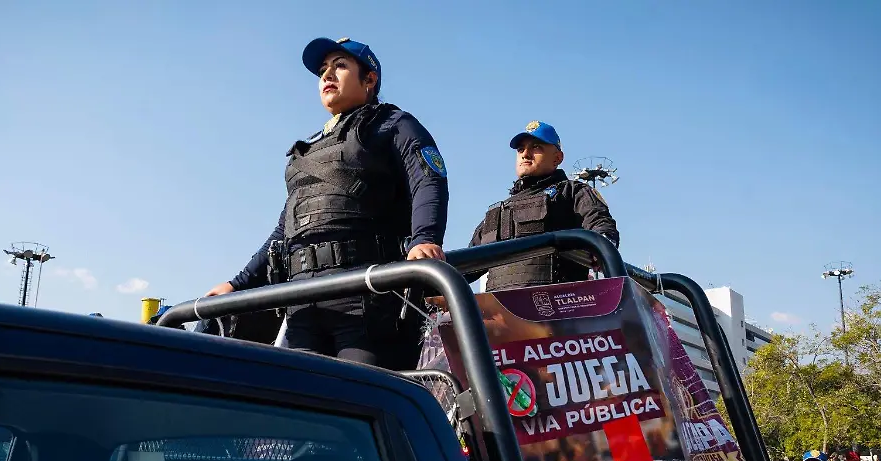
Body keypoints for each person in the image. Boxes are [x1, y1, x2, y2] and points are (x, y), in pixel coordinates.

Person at [206, 37, 448, 370]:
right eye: (322, 70)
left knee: (365, 403)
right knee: (299, 408)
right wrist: (238, 284)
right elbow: (285, 230)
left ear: (370, 79)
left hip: (367, 296)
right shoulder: (307, 152)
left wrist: (425, 239)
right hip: (300, 302)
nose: (327, 75)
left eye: (340, 66)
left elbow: (428, 179)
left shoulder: (394, 124)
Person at [467, 121, 619, 292]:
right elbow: (467, 265)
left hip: (556, 308)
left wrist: (602, 245)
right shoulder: (498, 212)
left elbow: (600, 224)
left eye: (536, 147)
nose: (525, 154)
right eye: (520, 149)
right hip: (498, 312)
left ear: (557, 158)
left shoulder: (572, 192)